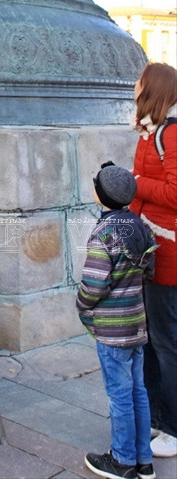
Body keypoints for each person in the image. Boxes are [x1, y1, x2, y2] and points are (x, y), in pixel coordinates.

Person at [77, 161, 157, 479]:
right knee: (138, 389)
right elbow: (149, 268)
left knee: (119, 392)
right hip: (136, 323)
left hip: (112, 330)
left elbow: (95, 284)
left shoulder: (105, 232)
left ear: (102, 196)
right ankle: (144, 460)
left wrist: (82, 304)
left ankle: (122, 460)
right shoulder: (138, 226)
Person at [129, 61, 177, 460]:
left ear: (153, 89)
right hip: (148, 250)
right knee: (150, 341)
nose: (134, 86)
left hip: (168, 253)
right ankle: (155, 418)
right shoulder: (148, 134)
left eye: (140, 82)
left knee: (165, 343)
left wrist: (133, 185)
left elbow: (175, 194)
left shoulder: (170, 135)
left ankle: (172, 428)